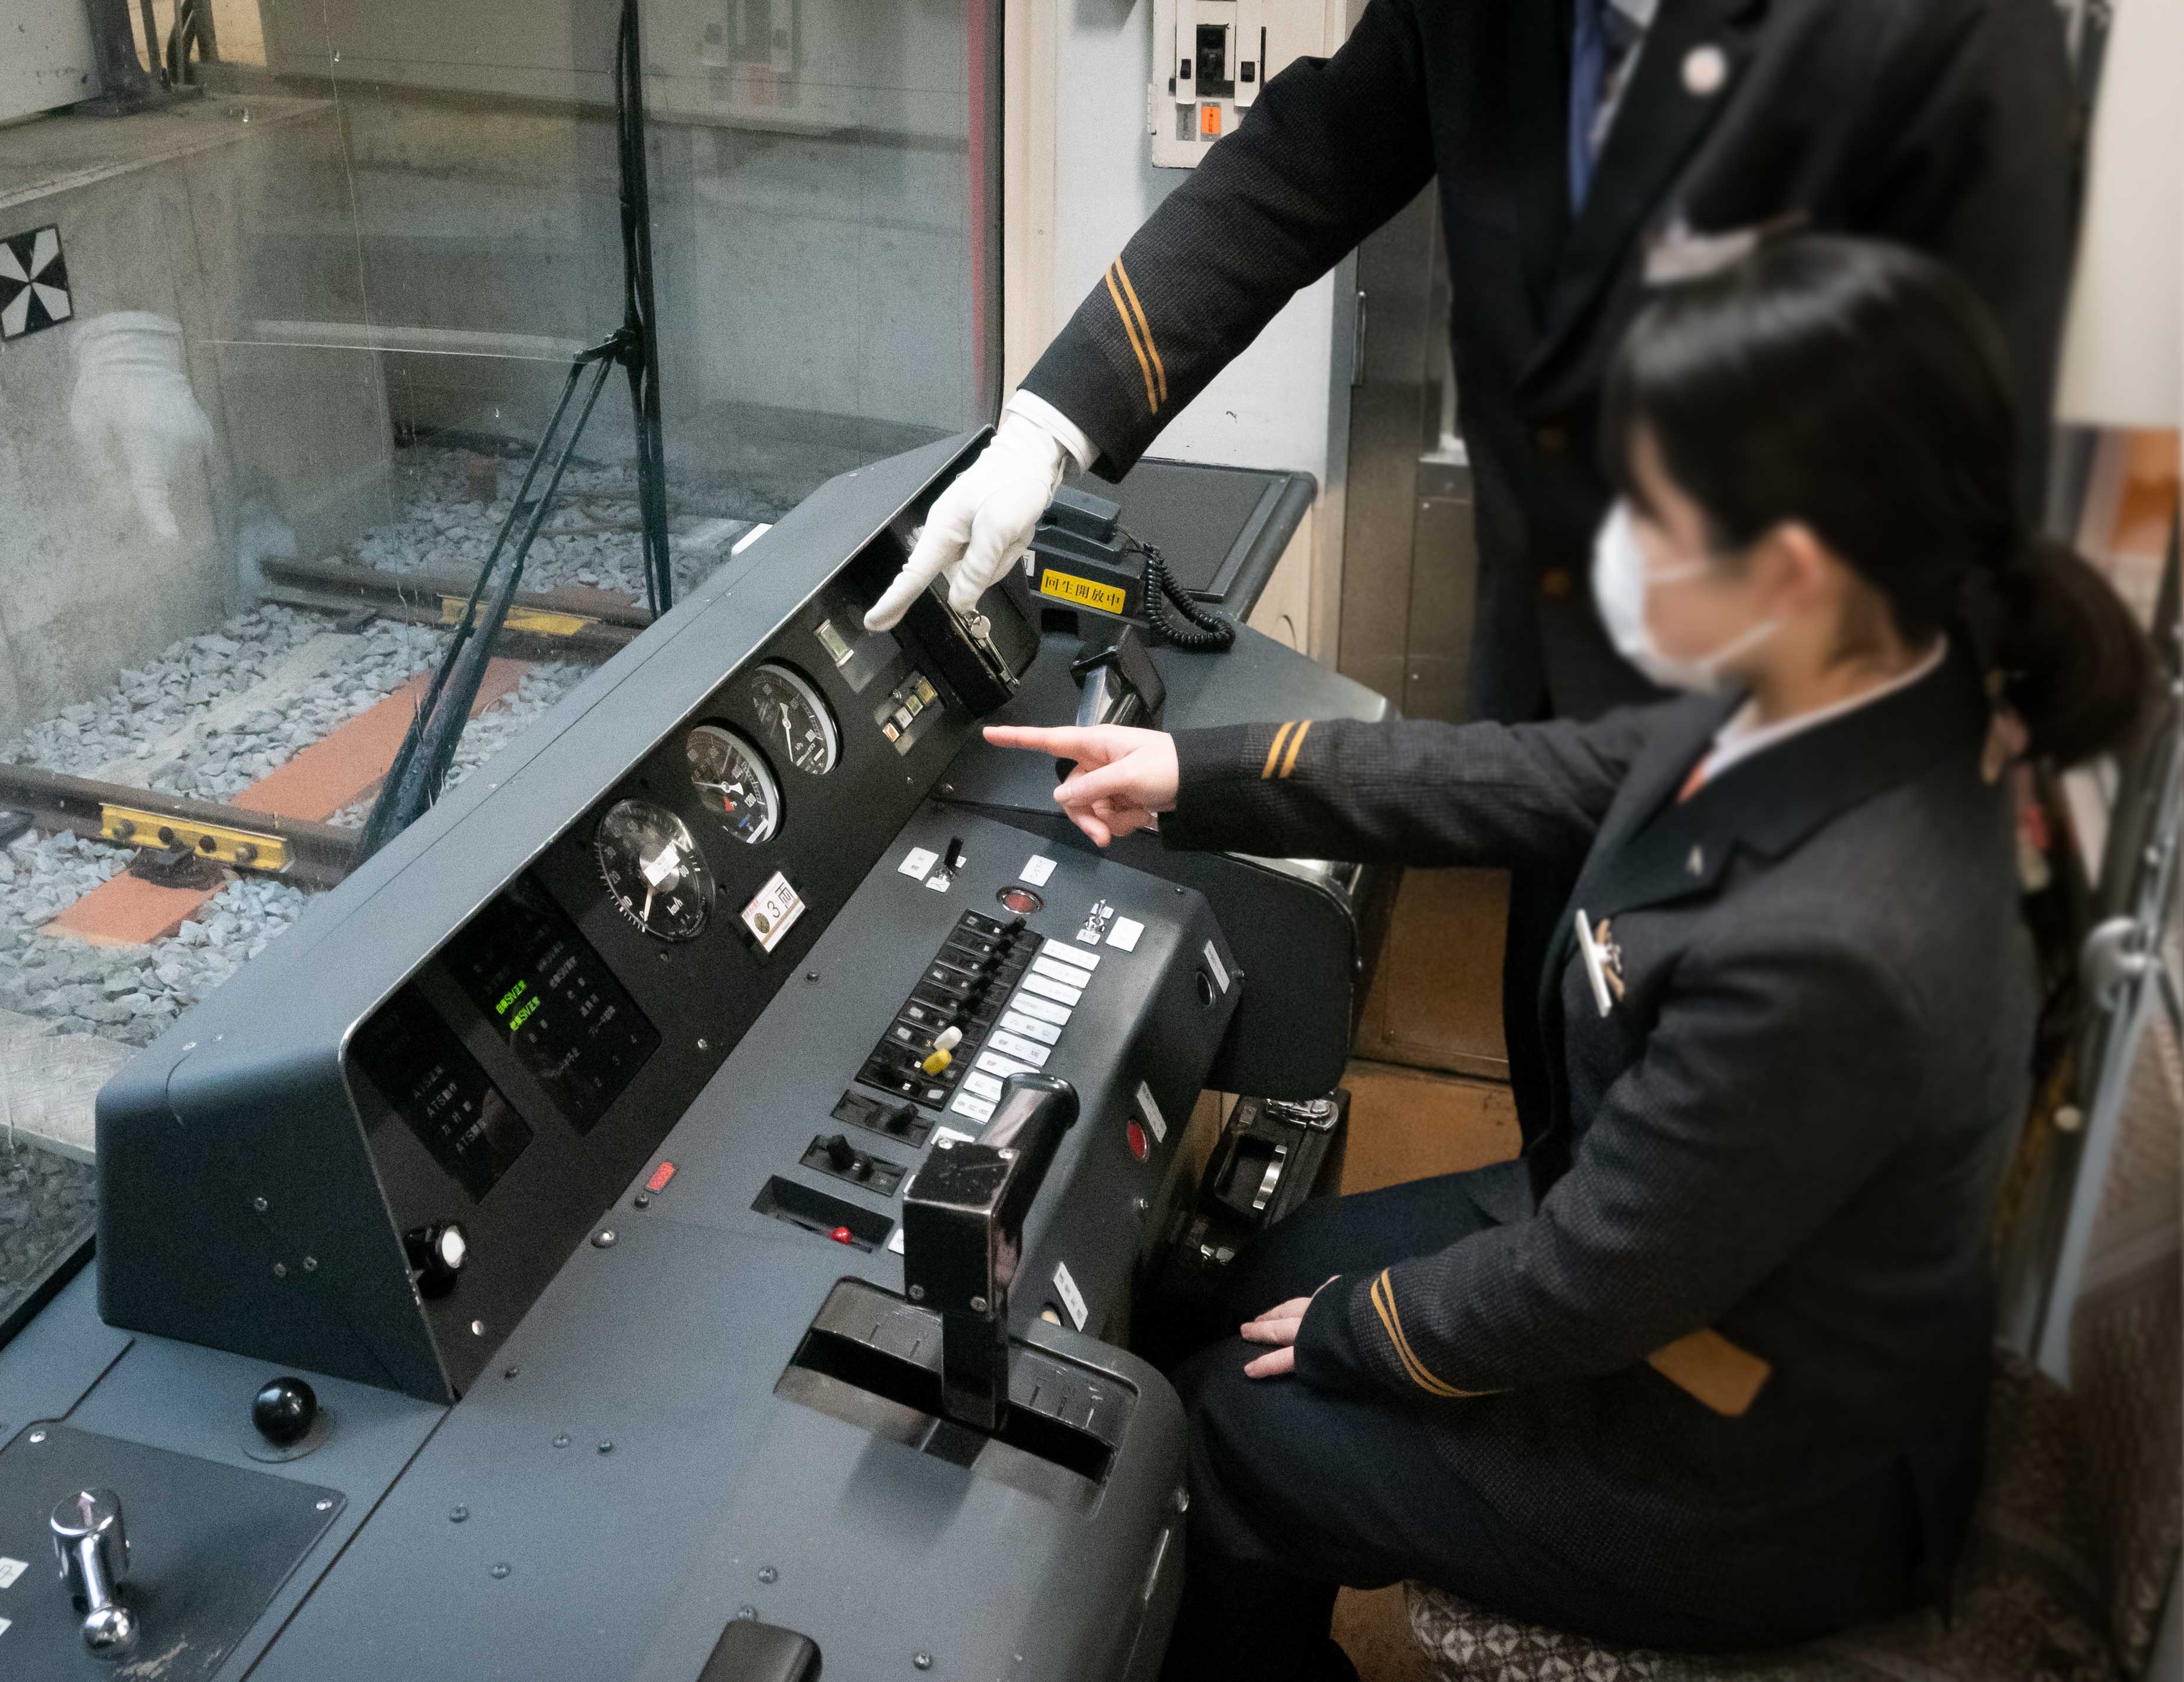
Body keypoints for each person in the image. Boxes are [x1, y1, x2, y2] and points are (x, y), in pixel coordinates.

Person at [982, 238, 2149, 1677]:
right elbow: (1517, 775)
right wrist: (1190, 771)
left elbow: (1603, 1277)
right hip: (1690, 1259)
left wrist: (1365, 1334)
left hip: (1753, 1461)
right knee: (1251, 1266)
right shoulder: (1846, 680)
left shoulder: (1853, 934)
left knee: (1229, 1427)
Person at [870, 0, 2080, 1154]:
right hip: (1543, 638)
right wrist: (1048, 425)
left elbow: (1962, 459)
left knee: (1706, 1144)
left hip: (1782, 693)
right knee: (1562, 1042)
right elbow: (1304, 159)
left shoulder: (1955, 39)